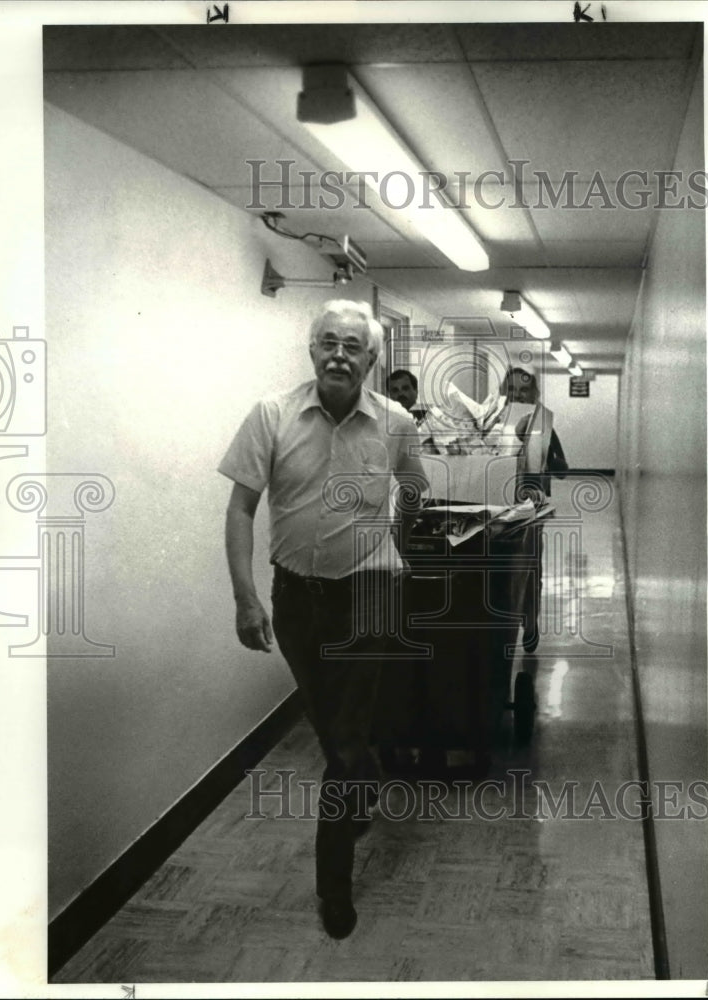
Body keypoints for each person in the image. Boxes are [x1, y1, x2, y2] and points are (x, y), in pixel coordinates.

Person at [219, 300, 425, 939]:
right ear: (312, 350)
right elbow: (240, 510)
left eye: (353, 346)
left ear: (371, 359)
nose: (340, 354)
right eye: (328, 342)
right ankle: (364, 778)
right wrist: (245, 597)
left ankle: (333, 887)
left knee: (342, 737)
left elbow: (413, 489)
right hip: (296, 602)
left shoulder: (393, 423)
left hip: (366, 595)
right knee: (334, 728)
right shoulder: (271, 415)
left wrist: (393, 542)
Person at [500, 365, 569, 653]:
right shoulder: (491, 424)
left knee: (530, 567)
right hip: (499, 509)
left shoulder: (543, 427)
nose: (518, 395)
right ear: (503, 393)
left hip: (532, 511)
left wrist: (543, 451)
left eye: (524, 390)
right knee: (501, 571)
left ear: (534, 394)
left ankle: (530, 623)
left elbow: (563, 470)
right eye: (512, 389)